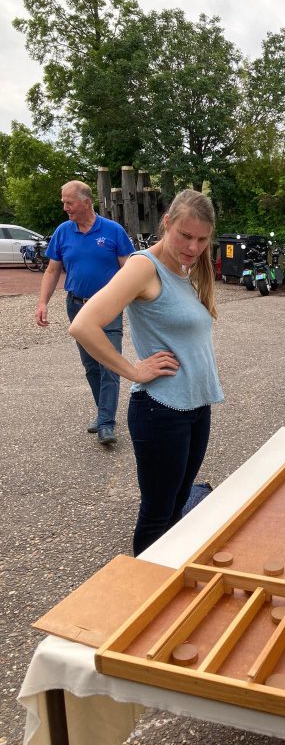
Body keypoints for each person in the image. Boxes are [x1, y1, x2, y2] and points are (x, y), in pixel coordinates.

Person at [69, 189, 223, 555]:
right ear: (166, 223)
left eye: (202, 239)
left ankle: (170, 584)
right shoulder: (143, 267)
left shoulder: (185, 269)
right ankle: (146, 595)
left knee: (179, 504)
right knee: (157, 514)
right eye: (185, 236)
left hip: (196, 406)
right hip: (161, 410)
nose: (193, 246)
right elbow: (84, 325)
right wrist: (133, 371)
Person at [36, 180, 134, 445]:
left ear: (87, 202)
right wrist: (42, 302)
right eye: (63, 202)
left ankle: (105, 423)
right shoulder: (63, 232)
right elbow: (52, 270)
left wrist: (134, 298)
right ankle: (103, 413)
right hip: (77, 307)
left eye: (69, 202)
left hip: (108, 306)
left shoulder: (113, 231)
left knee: (110, 362)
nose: (65, 207)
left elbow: (130, 269)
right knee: (91, 364)